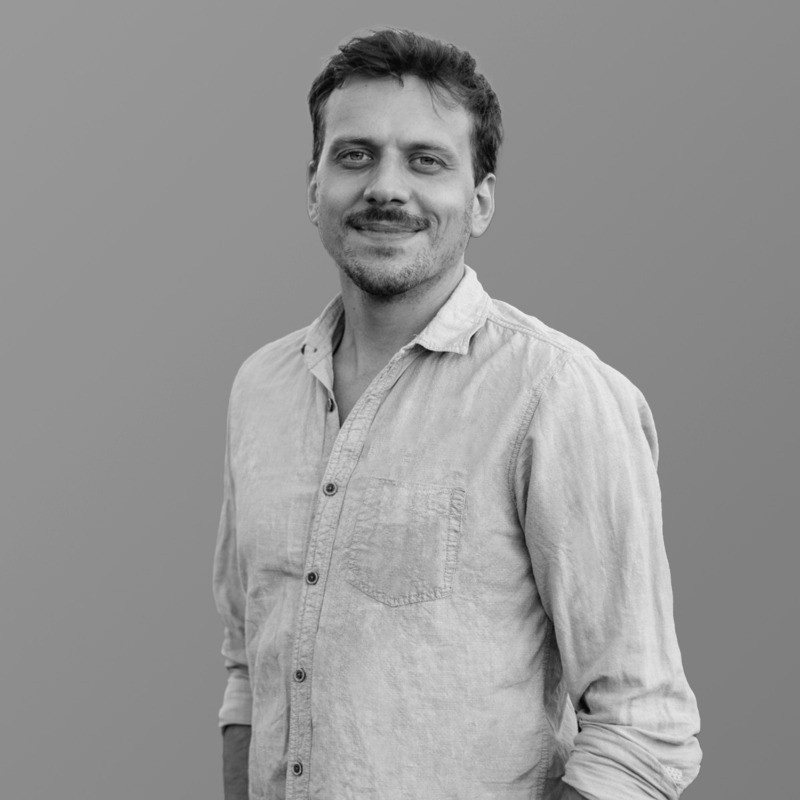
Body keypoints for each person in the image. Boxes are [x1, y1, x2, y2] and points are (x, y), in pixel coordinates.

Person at [213, 28, 701, 800]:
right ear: (313, 188)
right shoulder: (261, 389)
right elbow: (249, 666)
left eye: (426, 160)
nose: (386, 187)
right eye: (354, 155)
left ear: (479, 201)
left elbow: (643, 731)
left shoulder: (557, 395)